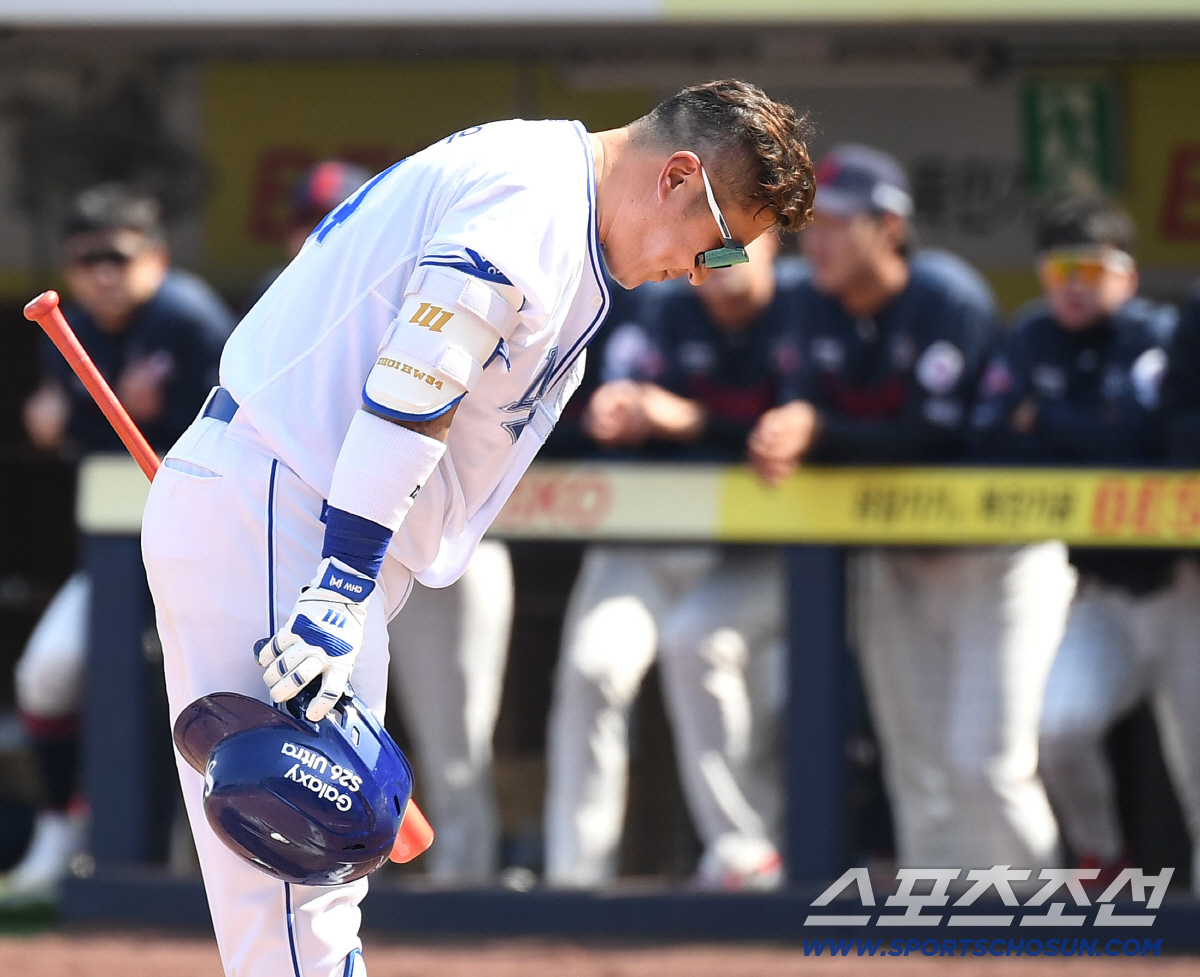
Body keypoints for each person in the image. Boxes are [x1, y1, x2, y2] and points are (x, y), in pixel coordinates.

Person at [139, 81, 814, 976]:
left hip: (294, 510)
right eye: (720, 247)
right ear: (678, 177)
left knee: (304, 902)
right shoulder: (535, 193)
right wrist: (340, 585)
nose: (702, 272)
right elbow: (417, 380)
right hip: (291, 509)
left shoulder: (552, 195)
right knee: (302, 898)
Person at [749, 145, 1074, 870]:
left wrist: (818, 429)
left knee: (984, 763)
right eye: (813, 226)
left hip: (995, 558)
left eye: (837, 222)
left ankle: (1045, 927)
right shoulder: (804, 298)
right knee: (916, 768)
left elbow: (933, 435)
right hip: (896, 558)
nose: (820, 240)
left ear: (889, 226)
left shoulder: (947, 296)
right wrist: (792, 426)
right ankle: (940, 940)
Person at [266, 160, 519, 884]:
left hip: (435, 546)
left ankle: (464, 902)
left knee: (455, 739)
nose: (318, 235)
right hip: (320, 549)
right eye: (306, 223)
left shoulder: (447, 294)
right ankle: (321, 886)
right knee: (307, 725)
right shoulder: (279, 310)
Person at [545, 233, 801, 890]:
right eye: (710, 248)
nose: (720, 261)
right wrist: (618, 412)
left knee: (706, 653)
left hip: (750, 553)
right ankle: (576, 874)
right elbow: (610, 400)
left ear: (774, 242)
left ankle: (745, 854)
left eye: (739, 244)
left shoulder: (803, 307)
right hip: (645, 543)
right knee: (591, 668)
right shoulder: (662, 306)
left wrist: (687, 418)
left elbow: (801, 431)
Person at [10, 184, 234, 895]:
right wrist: (58, 430)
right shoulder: (72, 325)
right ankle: (60, 831)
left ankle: (234, 861)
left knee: (210, 702)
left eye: (118, 255)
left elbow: (242, 440)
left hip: (213, 554)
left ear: (157, 257)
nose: (102, 272)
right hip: (119, 556)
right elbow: (85, 435)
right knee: (47, 672)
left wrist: (166, 422)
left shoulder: (192, 320)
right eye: (86, 258)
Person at [974, 197, 1194, 888]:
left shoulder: (1156, 332)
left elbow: (1139, 439)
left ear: (1126, 275)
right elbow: (988, 438)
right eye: (1060, 267)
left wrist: (1047, 420)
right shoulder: (1032, 334)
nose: (1074, 283)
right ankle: (1103, 859)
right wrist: (1081, 428)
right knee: (1061, 729)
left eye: (1092, 268)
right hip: (1098, 590)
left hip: (1183, 590)